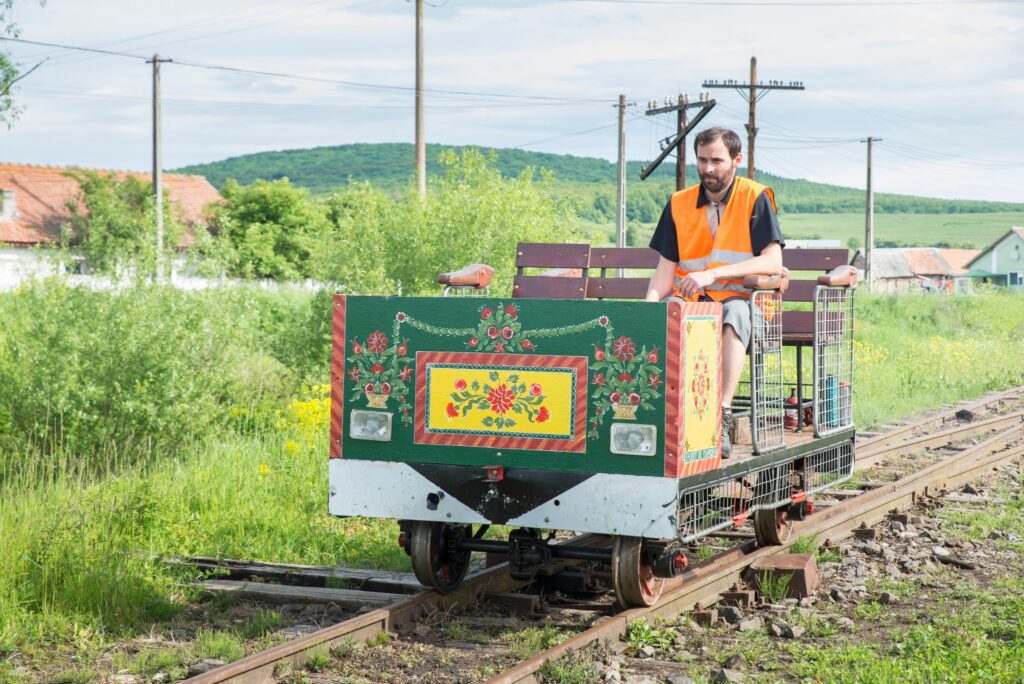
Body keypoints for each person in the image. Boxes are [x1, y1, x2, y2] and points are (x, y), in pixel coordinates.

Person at [645, 127, 784, 458]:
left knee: (732, 314)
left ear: (736, 160)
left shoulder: (755, 196)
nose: (708, 169)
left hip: (745, 303)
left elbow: (773, 259)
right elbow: (666, 271)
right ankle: (669, 415)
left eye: (717, 161)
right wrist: (648, 307)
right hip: (693, 302)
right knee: (668, 311)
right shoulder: (679, 203)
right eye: (702, 160)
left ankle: (719, 415)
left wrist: (713, 275)